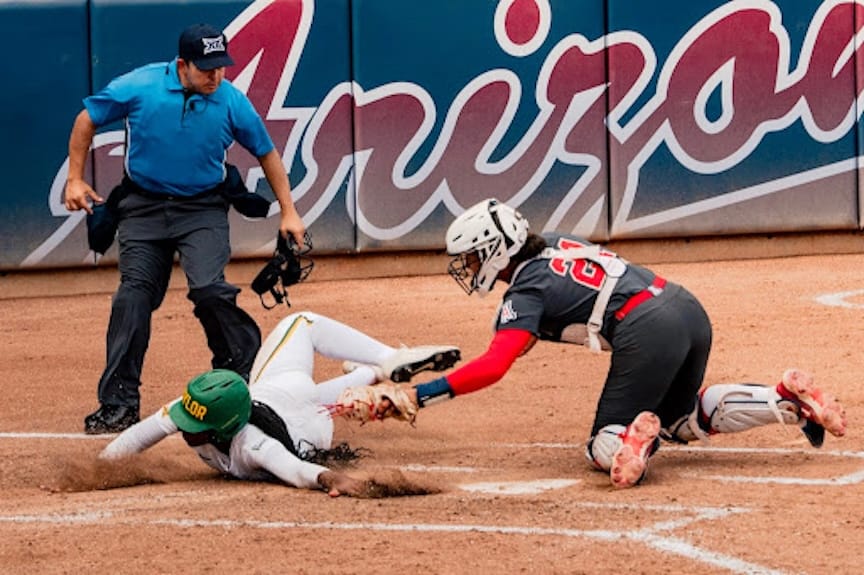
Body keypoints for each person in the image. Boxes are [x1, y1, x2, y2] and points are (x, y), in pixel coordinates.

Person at [336, 198, 847, 489]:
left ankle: (629, 443)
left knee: (601, 443)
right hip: (685, 306)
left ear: (495, 250)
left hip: (645, 328)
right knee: (681, 417)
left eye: (472, 258)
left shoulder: (526, 289)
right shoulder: (552, 240)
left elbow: (496, 365)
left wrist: (418, 396)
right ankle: (780, 400)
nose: (469, 269)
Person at [64, 23, 306, 434]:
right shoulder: (140, 86)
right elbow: (87, 118)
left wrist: (289, 210)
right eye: (206, 68)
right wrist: (75, 178)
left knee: (210, 289)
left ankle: (239, 380)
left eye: (221, 67)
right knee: (133, 297)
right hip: (143, 207)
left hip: (203, 209)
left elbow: (267, 153)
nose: (216, 76)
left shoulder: (231, 102)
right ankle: (118, 404)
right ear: (182, 65)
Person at [100, 311, 461, 496]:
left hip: (297, 416)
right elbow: (141, 434)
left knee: (300, 328)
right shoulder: (201, 406)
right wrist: (96, 471)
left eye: (196, 427)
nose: (186, 429)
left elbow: (297, 471)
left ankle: (386, 362)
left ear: (225, 427)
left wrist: (335, 480)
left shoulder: (253, 444)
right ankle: (374, 368)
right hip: (300, 416)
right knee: (302, 334)